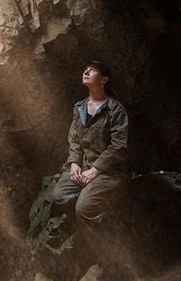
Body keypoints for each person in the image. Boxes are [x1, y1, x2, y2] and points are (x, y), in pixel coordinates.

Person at [50, 61, 130, 226]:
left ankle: (99, 244)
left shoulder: (115, 109)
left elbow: (119, 146)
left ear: (103, 80)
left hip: (108, 171)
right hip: (83, 168)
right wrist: (73, 163)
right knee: (58, 196)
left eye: (92, 70)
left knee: (84, 209)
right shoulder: (79, 107)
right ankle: (96, 207)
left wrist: (95, 170)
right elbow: (74, 139)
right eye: (85, 69)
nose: (86, 72)